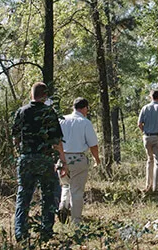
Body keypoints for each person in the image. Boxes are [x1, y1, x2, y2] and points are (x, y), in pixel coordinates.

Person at [12, 82, 67, 242]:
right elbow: (57, 141)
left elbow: (15, 137)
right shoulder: (49, 113)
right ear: (45, 95)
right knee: (48, 196)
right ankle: (46, 233)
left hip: (26, 159)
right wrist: (63, 161)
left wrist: (21, 154)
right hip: (44, 160)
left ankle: (20, 234)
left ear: (32, 95)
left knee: (23, 197)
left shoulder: (21, 112)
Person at [57, 97, 101, 225]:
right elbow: (93, 145)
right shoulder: (85, 122)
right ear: (84, 108)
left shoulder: (61, 120)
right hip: (78, 159)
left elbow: (55, 141)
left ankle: (63, 204)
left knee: (66, 185)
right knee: (77, 190)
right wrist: (96, 159)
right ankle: (76, 222)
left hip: (62, 158)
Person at [138, 89, 158, 192]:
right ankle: (156, 188)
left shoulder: (145, 108)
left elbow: (139, 124)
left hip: (147, 137)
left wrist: (145, 131)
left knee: (149, 160)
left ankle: (148, 186)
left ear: (150, 97)